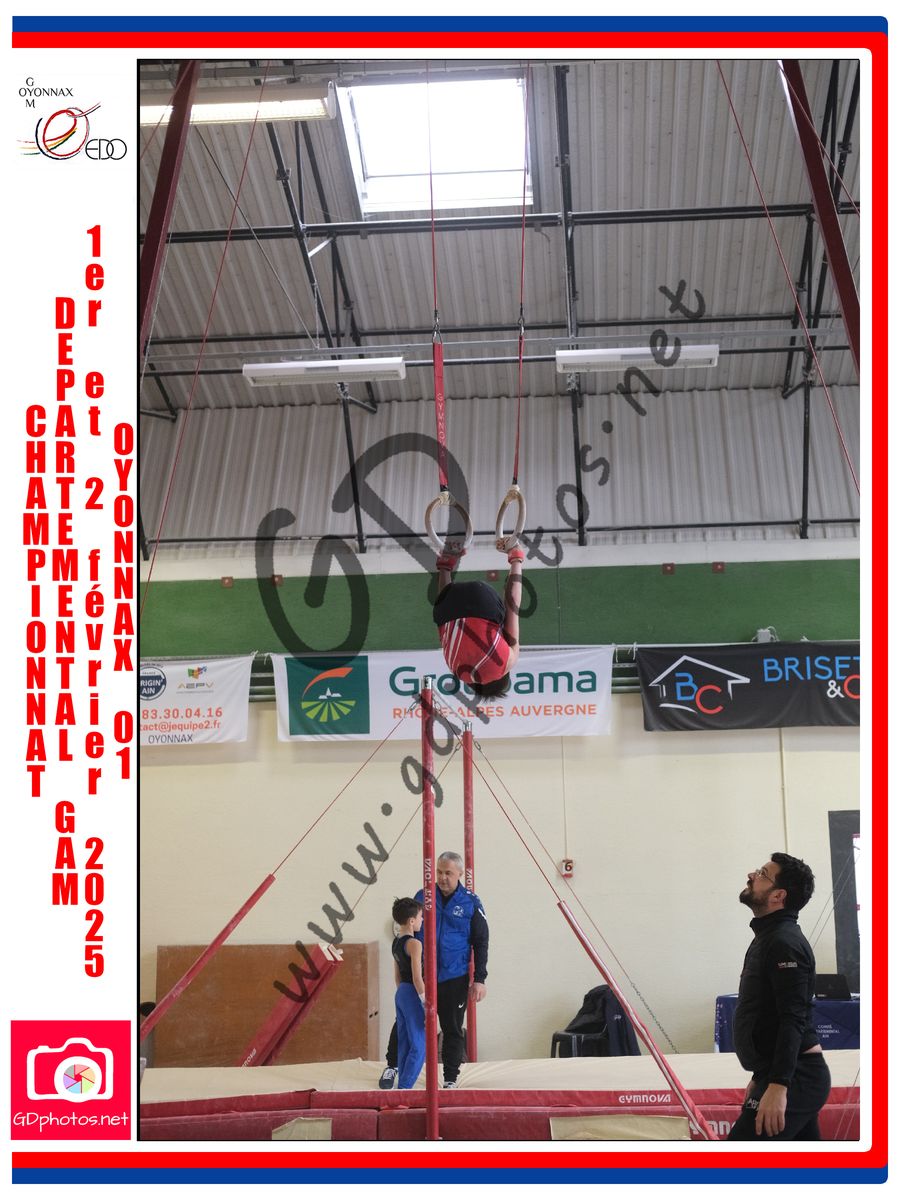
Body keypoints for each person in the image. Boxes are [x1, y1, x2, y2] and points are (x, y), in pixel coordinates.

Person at [727, 853, 832, 1140]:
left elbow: (792, 1018)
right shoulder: (768, 937)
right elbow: (767, 1015)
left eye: (762, 874)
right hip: (778, 1071)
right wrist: (761, 1075)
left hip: (798, 1075)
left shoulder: (784, 942)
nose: (751, 875)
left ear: (778, 895)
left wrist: (778, 1085)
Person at [379, 852, 489, 1089]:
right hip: (422, 977)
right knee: (404, 1022)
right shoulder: (423, 896)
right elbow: (407, 931)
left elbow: (481, 941)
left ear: (460, 874)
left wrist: (479, 979)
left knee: (452, 1028)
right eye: (439, 872)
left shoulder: (471, 902)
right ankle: (392, 1066)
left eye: (448, 873)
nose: (442, 877)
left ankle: (450, 1078)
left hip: (454, 976)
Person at [433, 542, 524, 698]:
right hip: (449, 600)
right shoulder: (456, 670)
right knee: (447, 621)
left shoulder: (507, 663)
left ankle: (515, 554)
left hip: (483, 600)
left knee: (504, 618)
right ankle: (445, 564)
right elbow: (445, 626)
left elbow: (512, 608)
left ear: (504, 675)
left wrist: (516, 559)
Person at [391, 897, 426, 1090]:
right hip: (412, 992)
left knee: (404, 1042)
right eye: (421, 917)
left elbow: (397, 977)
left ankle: (402, 1088)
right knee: (420, 1044)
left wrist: (403, 995)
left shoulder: (396, 943)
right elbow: (417, 978)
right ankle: (405, 1087)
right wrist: (426, 1002)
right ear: (412, 921)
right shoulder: (415, 944)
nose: (422, 920)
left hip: (401, 992)